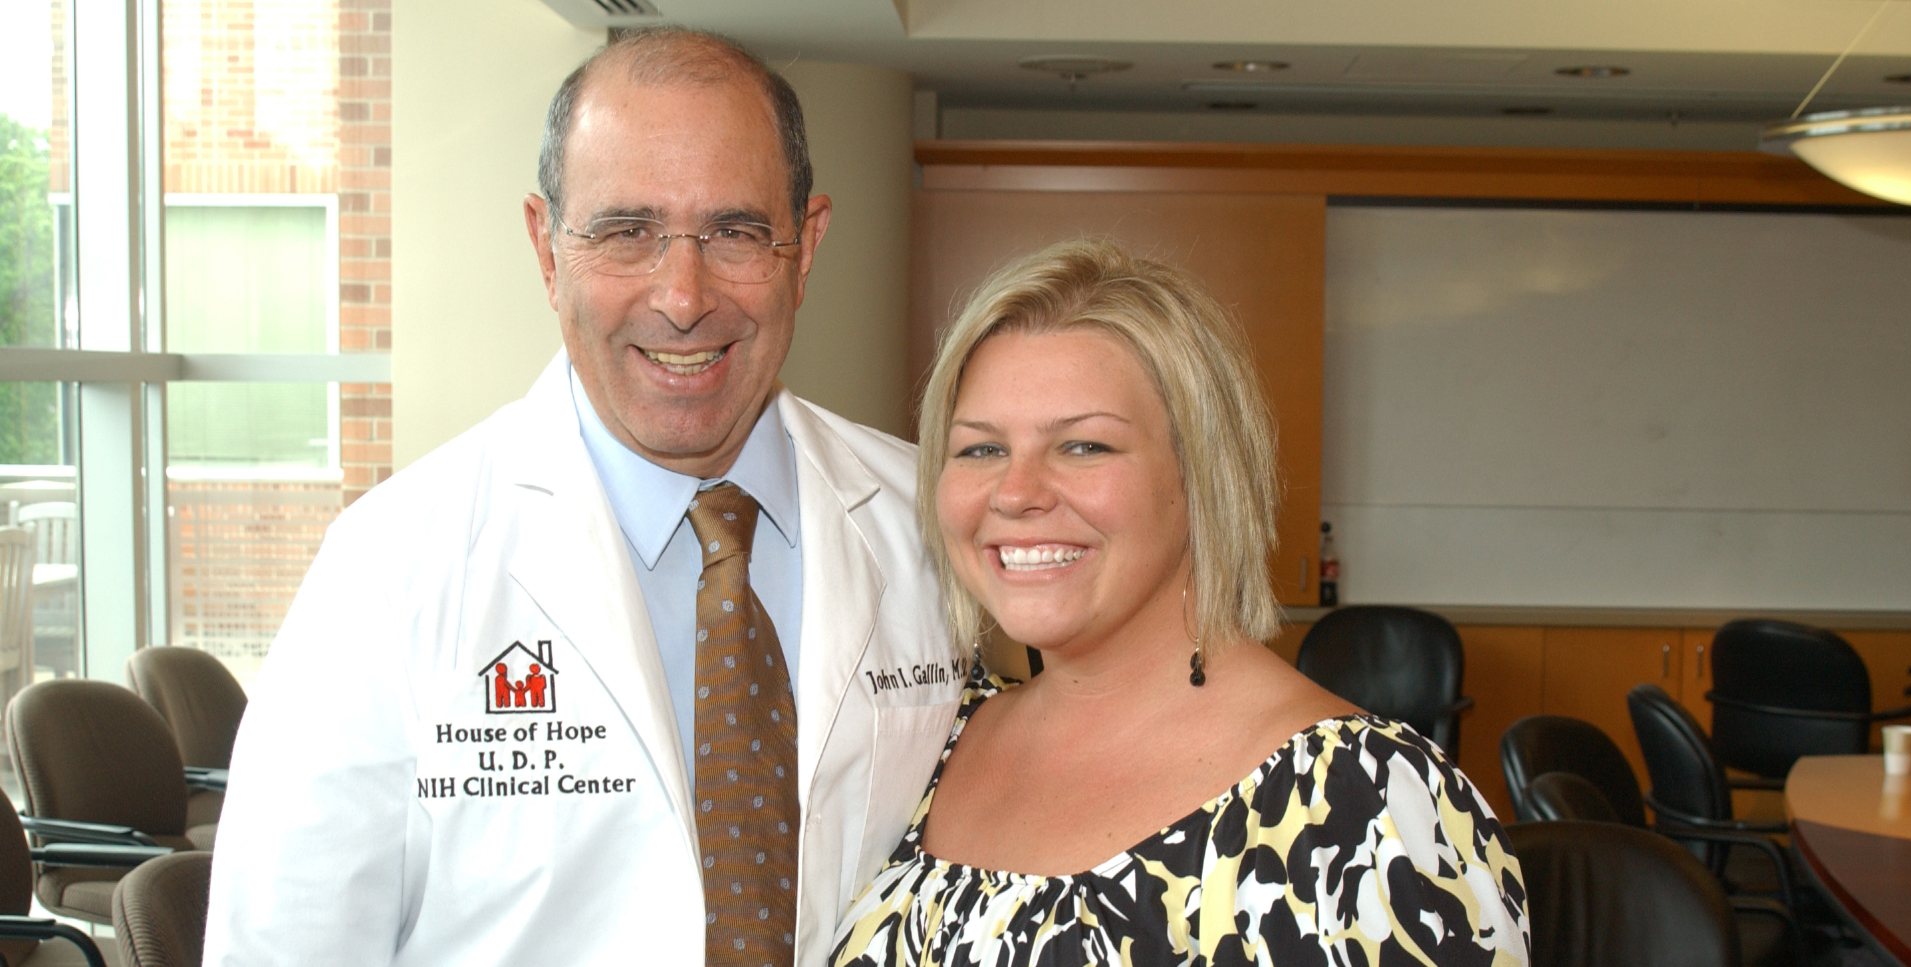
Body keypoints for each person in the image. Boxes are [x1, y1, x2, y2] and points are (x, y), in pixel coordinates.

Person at [204, 28, 962, 967]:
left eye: (733, 231)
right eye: (625, 232)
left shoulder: (936, 528)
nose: (682, 296)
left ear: (804, 246)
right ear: (546, 246)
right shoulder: (388, 568)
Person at [828, 239, 1530, 966]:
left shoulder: (1362, 808)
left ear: (1202, 476)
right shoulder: (931, 739)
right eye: (979, 449)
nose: (1015, 491)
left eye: (1083, 446)